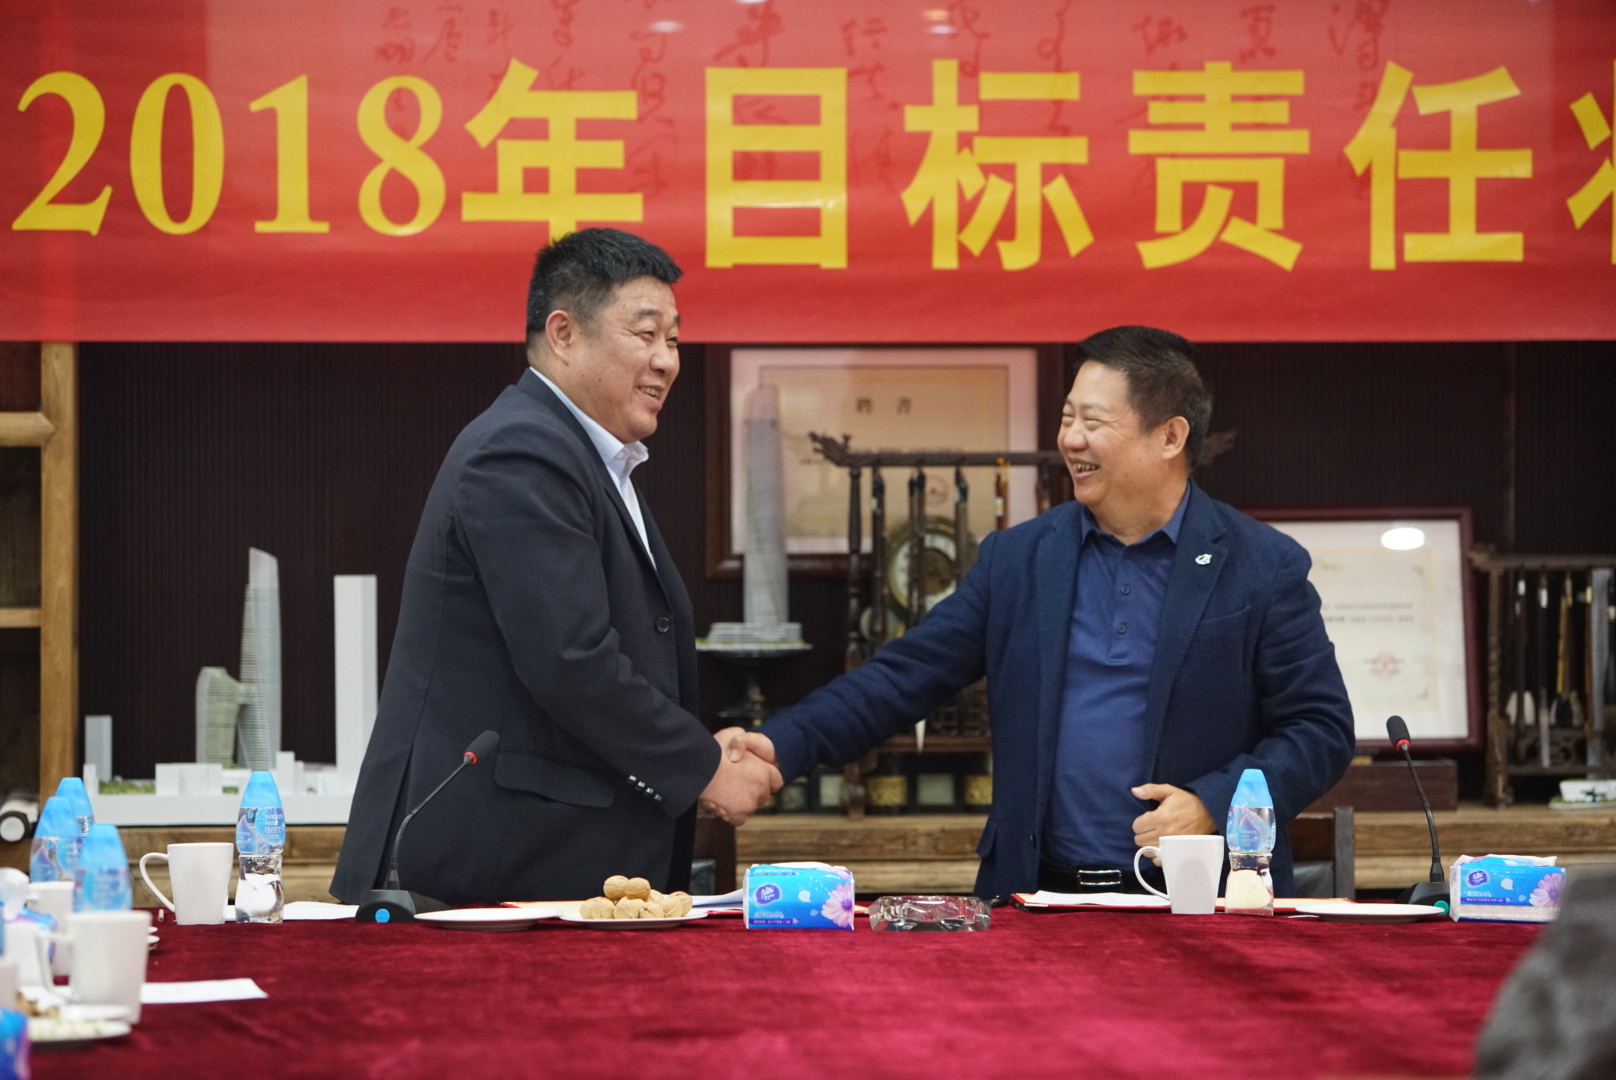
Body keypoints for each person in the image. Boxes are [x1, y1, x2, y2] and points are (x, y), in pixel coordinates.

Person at [748, 326, 1354, 898]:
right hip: (1036, 897)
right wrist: (777, 747)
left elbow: (1320, 730)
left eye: (1094, 421)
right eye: (1067, 418)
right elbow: (902, 677)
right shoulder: (1020, 559)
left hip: (1201, 899)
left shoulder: (1261, 565)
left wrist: (1214, 805)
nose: (1071, 439)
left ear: (1170, 437)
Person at [331, 228, 779, 906]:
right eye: (646, 334)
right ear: (563, 334)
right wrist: (704, 767)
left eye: (674, 339)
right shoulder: (522, 450)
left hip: (541, 868)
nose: (666, 361)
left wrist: (701, 751)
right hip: (480, 877)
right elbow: (571, 659)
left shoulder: (591, 457)